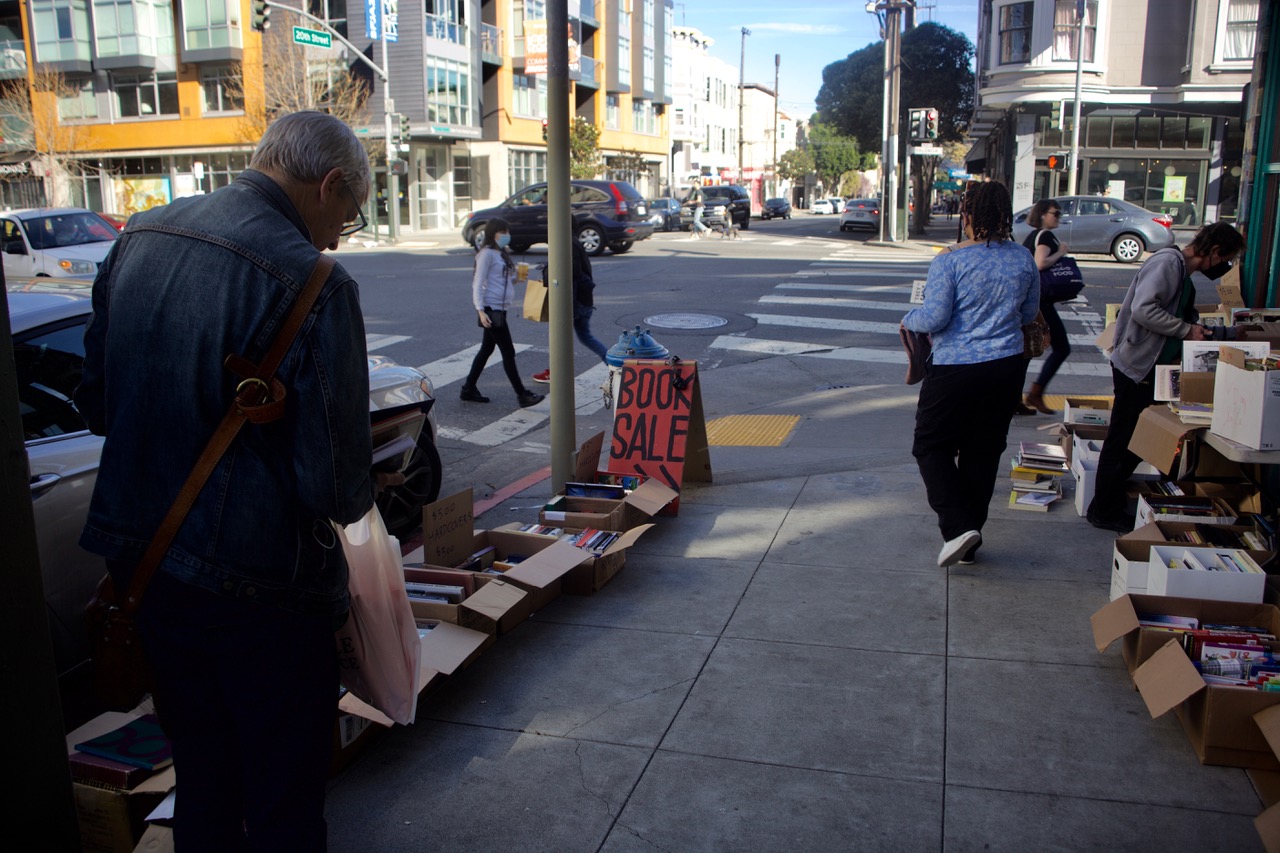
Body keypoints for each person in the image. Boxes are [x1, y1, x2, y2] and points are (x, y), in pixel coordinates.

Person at [75, 111, 378, 851]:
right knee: (283, 796)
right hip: (262, 591)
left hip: (144, 568)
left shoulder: (139, 237)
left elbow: (96, 404)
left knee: (203, 775)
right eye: (348, 212)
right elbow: (337, 486)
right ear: (328, 184)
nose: (339, 234)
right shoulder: (315, 282)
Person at [902, 180, 1040, 567]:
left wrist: (908, 317)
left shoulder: (950, 259)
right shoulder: (1022, 258)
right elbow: (1029, 315)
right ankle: (970, 542)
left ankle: (957, 527)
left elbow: (934, 317)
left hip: (955, 369)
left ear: (969, 216)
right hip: (1006, 368)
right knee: (983, 451)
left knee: (931, 445)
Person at [1085, 222, 1245, 532]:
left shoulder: (1181, 271)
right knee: (1126, 440)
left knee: (1133, 440)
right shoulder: (1169, 263)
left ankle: (1104, 504)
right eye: (1226, 259)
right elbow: (1145, 310)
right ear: (1213, 252)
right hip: (1137, 367)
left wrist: (1207, 331)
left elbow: (1178, 313)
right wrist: (1186, 330)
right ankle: (1104, 509)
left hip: (1148, 365)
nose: (1225, 266)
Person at [461, 217, 545, 407]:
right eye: (503, 232)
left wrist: (517, 277)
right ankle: (522, 394)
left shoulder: (501, 253)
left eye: (508, 232)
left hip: (500, 308)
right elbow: (478, 283)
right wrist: (480, 311)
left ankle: (468, 388)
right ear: (493, 234)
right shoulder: (486, 254)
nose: (507, 236)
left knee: (486, 349)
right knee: (508, 351)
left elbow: (502, 280)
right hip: (491, 308)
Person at [1017, 199, 1072, 415]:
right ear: (1042, 215)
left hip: (1032, 299)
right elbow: (1040, 263)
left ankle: (1016, 398)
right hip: (1040, 302)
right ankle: (1035, 393)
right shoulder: (1046, 236)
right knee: (1061, 348)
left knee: (1027, 350)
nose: (1058, 217)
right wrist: (1061, 252)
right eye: (1055, 213)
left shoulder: (1032, 236)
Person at [532, 238, 610, 383]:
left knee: (560, 337)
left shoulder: (566, 244)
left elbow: (572, 275)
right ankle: (612, 363)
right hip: (583, 300)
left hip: (575, 302)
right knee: (583, 336)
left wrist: (567, 309)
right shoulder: (575, 243)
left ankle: (556, 372)